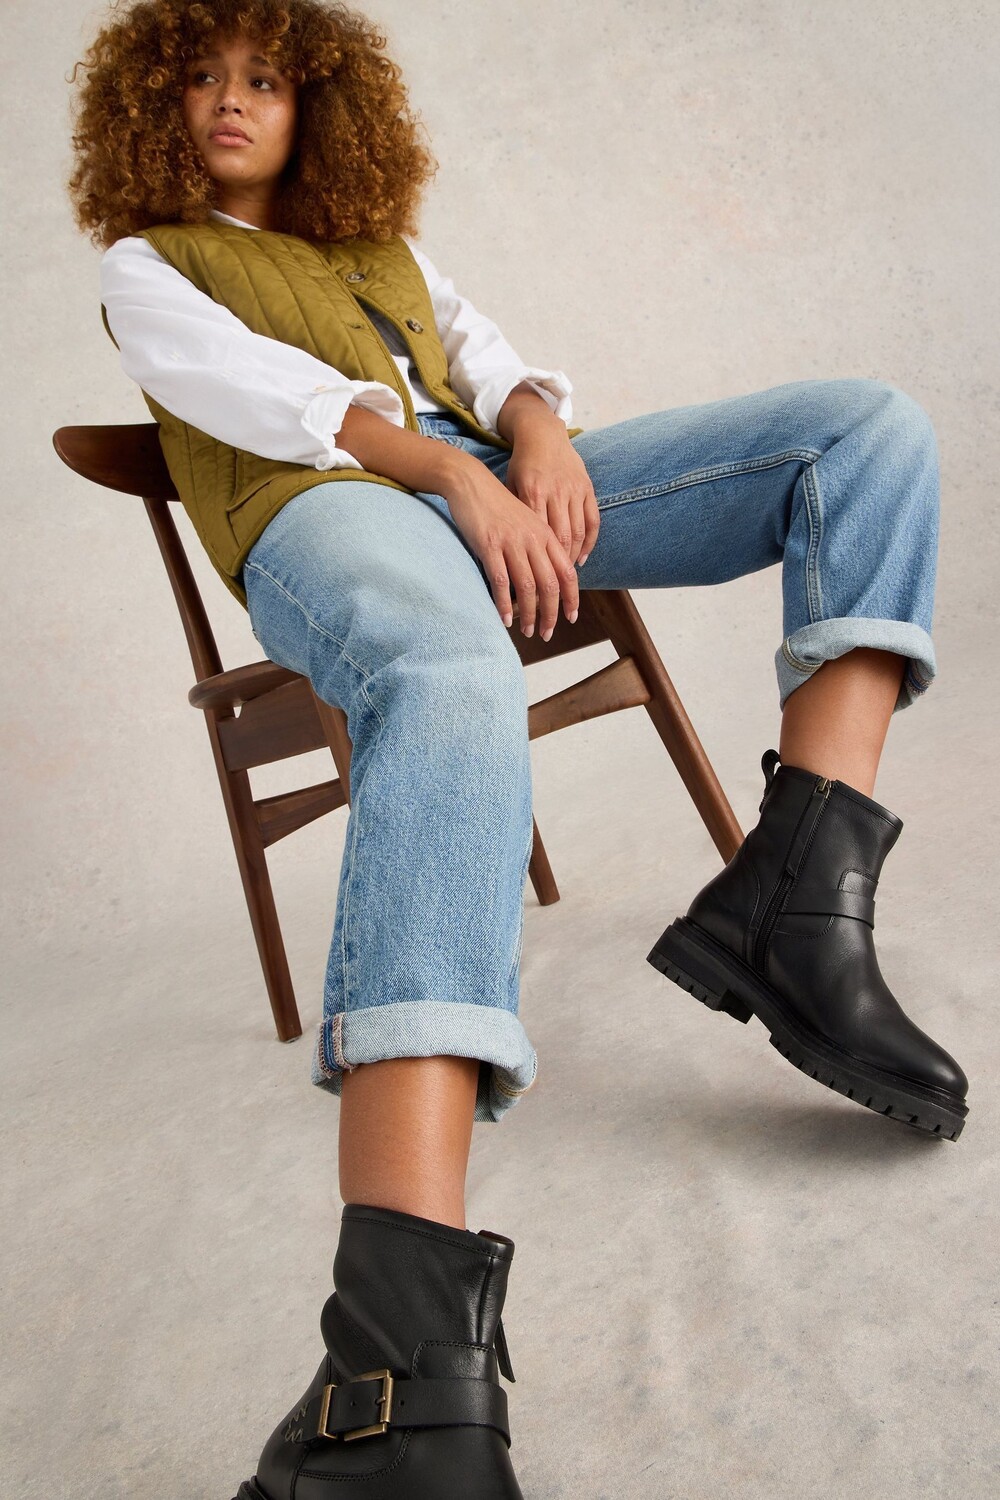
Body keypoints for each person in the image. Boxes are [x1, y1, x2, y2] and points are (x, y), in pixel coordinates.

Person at [68, 2, 970, 1495]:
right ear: (150, 107)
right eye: (201, 81)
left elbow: (490, 362)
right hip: (325, 512)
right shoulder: (150, 265)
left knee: (861, 432)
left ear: (316, 106)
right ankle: (401, 1359)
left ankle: (800, 903)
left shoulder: (383, 254)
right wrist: (453, 478)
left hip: (485, 482)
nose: (230, 101)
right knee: (448, 670)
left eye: (263, 79)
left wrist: (536, 438)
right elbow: (277, 405)